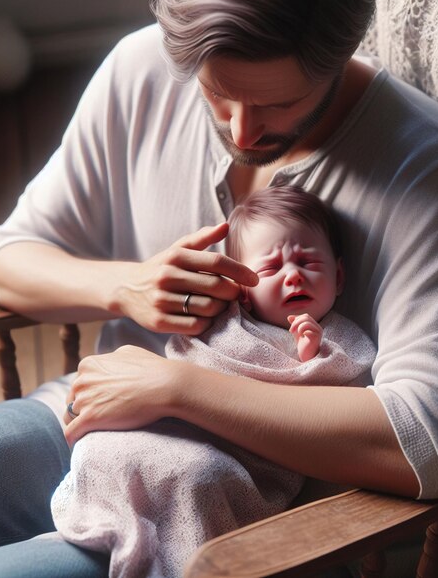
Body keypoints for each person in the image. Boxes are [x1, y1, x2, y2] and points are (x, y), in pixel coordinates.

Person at [0, 0, 438, 576]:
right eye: (217, 93)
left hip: (240, 521)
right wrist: (126, 287)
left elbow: (433, 440)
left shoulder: (430, 169)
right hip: (88, 435)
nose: (241, 132)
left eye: (279, 103)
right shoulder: (142, 71)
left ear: (345, 46)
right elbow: (7, 259)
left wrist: (183, 389)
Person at [50, 185, 377, 578]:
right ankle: (110, 517)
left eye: (308, 263)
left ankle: (179, 556)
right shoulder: (225, 323)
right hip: (174, 428)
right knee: (104, 447)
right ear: (242, 286)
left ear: (339, 277)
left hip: (248, 461)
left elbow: (337, 402)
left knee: (200, 477)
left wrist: (310, 358)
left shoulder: (338, 341)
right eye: (271, 269)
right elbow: (185, 359)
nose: (293, 277)